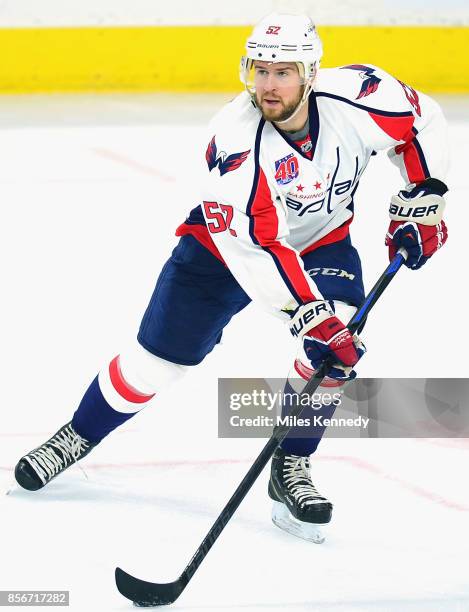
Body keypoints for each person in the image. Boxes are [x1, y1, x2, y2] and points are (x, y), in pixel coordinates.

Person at [14, 13, 448, 542]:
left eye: (282, 72)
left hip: (323, 241)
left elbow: (422, 123)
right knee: (155, 364)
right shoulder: (236, 140)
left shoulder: (361, 96)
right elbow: (256, 248)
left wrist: (424, 200)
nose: (268, 85)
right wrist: (307, 315)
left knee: (333, 353)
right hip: (225, 251)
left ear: (310, 72)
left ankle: (291, 464)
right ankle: (76, 436)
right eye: (259, 70)